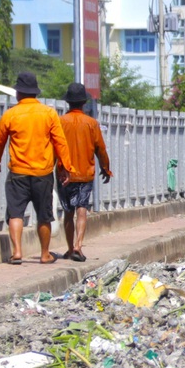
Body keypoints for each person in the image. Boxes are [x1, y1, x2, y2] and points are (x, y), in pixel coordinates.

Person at [0, 72, 75, 265]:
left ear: (18, 93)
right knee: (44, 215)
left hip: (18, 172)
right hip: (43, 173)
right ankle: (44, 254)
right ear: (35, 93)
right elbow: (61, 143)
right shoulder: (49, 113)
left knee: (15, 213)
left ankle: (17, 252)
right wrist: (64, 167)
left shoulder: (10, 115)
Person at [56, 82, 112, 262]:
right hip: (85, 174)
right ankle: (79, 246)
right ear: (83, 103)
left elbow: (52, 148)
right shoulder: (91, 123)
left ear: (68, 103)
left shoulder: (60, 122)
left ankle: (70, 248)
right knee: (82, 209)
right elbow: (101, 149)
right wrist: (106, 168)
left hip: (64, 174)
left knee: (68, 212)